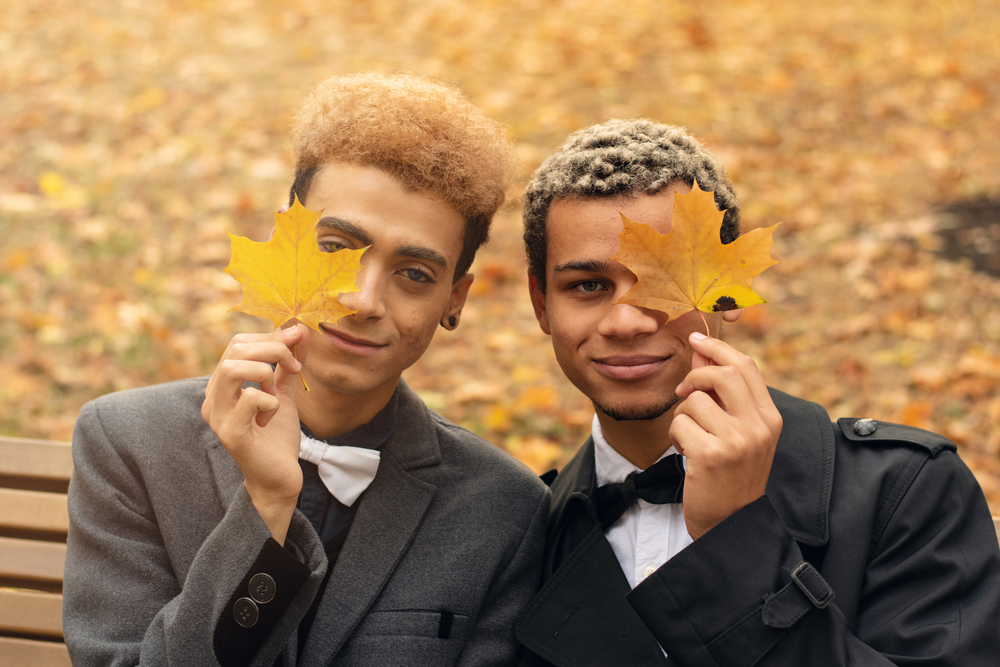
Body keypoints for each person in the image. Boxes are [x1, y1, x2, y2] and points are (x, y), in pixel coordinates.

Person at [63, 73, 549, 667]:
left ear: (455, 299)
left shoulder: (502, 509)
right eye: (336, 248)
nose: (364, 300)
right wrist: (266, 506)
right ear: (282, 242)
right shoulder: (128, 443)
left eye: (414, 274)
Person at [513, 119, 1000, 666]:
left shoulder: (906, 493)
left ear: (728, 293)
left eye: (667, 281)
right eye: (588, 286)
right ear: (542, 304)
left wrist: (736, 540)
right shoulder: (519, 534)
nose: (625, 321)